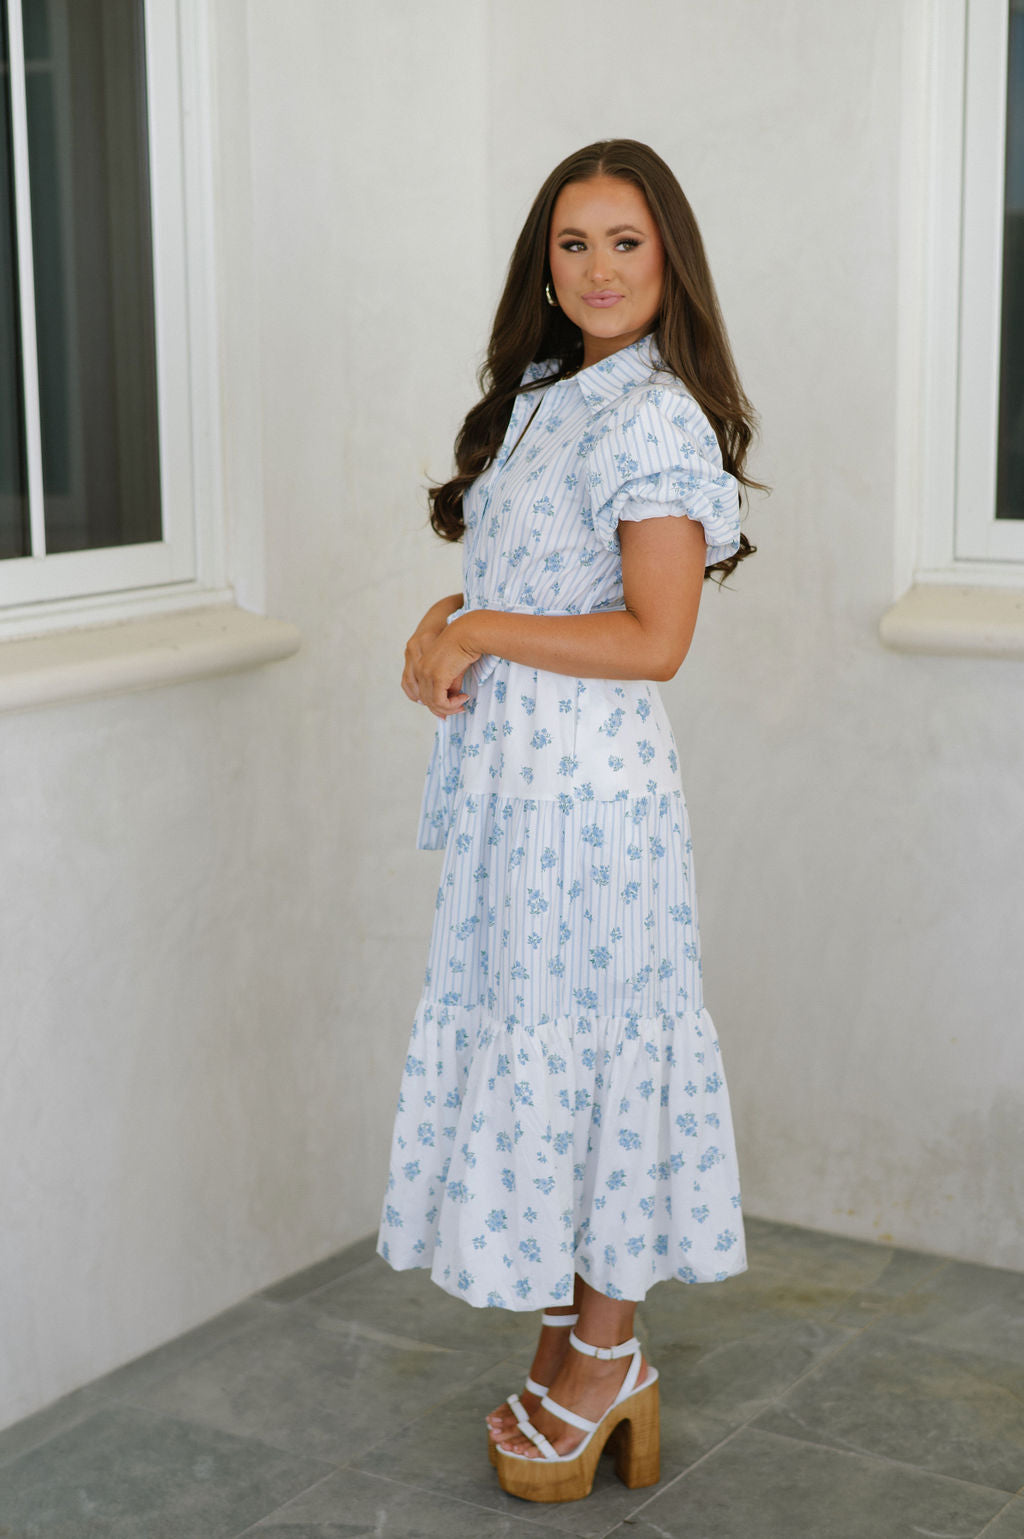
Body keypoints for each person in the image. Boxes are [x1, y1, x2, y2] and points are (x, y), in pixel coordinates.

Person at [377, 139, 760, 1504]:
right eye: (573, 243)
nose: (597, 269)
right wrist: (443, 622)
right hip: (510, 799)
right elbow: (511, 577)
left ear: (671, 263)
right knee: (537, 1042)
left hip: (590, 811)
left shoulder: (655, 415)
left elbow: (656, 639)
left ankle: (611, 1361)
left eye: (626, 243)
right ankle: (569, 1334)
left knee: (590, 1058)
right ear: (546, 264)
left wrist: (472, 626)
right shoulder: (546, 394)